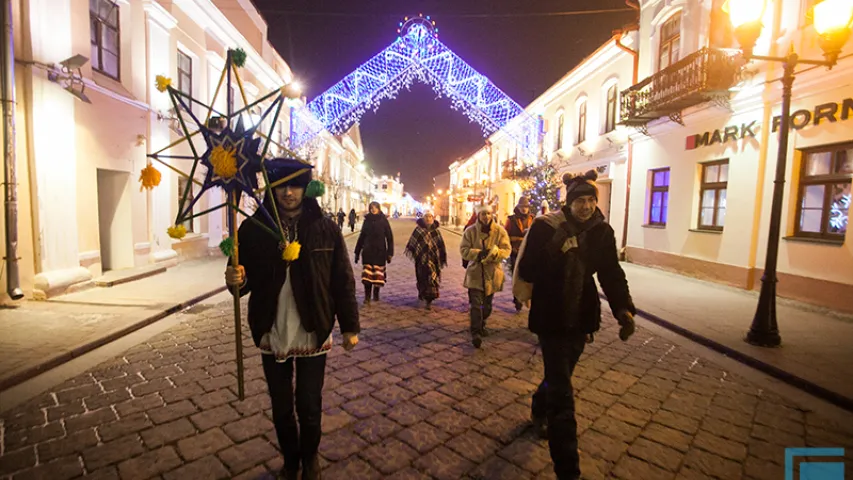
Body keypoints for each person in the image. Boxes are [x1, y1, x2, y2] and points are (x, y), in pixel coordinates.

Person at [223, 158, 360, 480]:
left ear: (306, 189)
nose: (288, 193)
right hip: (272, 326)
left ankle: (310, 458)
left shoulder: (325, 227)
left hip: (314, 325)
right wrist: (236, 277)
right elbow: (241, 283)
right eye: (281, 186)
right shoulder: (253, 228)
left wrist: (350, 326)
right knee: (282, 407)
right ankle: (291, 460)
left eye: (295, 185)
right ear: (271, 189)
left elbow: (342, 279)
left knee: (309, 405)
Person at [514, 170, 635, 480]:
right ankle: (568, 470)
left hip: (582, 317)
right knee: (564, 396)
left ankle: (540, 405)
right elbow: (527, 269)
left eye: (591, 200)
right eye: (580, 200)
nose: (586, 206)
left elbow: (611, 273)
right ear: (569, 202)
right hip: (551, 317)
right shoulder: (545, 227)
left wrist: (623, 308)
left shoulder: (601, 232)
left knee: (560, 377)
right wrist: (556, 246)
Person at [459, 204, 511, 348]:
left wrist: (495, 254)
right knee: (476, 304)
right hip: (475, 272)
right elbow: (463, 250)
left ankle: (482, 323)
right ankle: (475, 331)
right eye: (483, 214)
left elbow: (507, 249)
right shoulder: (470, 231)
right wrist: (478, 254)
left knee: (487, 305)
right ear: (478, 215)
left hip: (492, 273)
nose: (486, 217)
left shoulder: (500, 231)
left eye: (488, 214)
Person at [404, 211, 447, 310]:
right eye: (426, 216)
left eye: (430, 216)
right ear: (423, 218)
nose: (428, 218)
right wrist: (417, 255)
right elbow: (413, 244)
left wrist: (440, 257)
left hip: (433, 261)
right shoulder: (418, 230)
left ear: (433, 218)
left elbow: (440, 246)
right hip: (421, 261)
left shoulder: (436, 231)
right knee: (421, 278)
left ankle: (429, 300)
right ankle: (422, 292)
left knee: (432, 279)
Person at [354, 201, 394, 304]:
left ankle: (376, 293)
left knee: (377, 275)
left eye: (375, 207)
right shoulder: (367, 220)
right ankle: (367, 297)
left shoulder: (383, 220)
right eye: (371, 207)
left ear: (379, 208)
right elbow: (362, 236)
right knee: (367, 275)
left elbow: (389, 237)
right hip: (368, 251)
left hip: (380, 252)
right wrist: (357, 252)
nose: (373, 209)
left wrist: (390, 253)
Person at [504, 196, 535, 312]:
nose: (524, 209)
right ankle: (517, 299)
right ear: (518, 207)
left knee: (527, 275)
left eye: (526, 207)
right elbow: (505, 235)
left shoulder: (533, 219)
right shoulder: (511, 220)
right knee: (516, 276)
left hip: (528, 252)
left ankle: (526, 297)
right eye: (522, 207)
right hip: (515, 252)